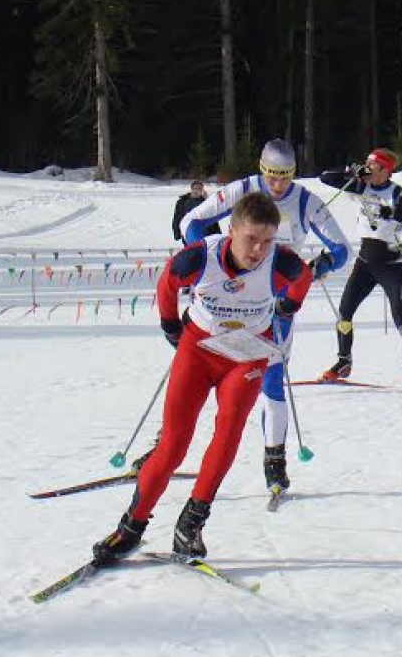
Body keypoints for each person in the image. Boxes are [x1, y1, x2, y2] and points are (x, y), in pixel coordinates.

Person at [92, 193, 313, 562]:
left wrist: (288, 304)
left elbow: (302, 278)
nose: (258, 249)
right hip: (198, 350)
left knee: (228, 434)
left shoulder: (281, 261)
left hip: (247, 355)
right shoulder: (200, 256)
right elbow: (167, 282)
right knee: (173, 446)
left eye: (266, 240)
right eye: (250, 239)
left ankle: (191, 523)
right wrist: (169, 325)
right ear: (231, 230)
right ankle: (130, 528)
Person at [180, 139, 349, 496]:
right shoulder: (243, 190)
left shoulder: (305, 201)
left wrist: (319, 266)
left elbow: (342, 248)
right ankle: (168, 442)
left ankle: (275, 460)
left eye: (285, 177)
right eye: (271, 176)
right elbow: (191, 221)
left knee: (270, 382)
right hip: (225, 301)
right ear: (261, 169)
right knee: (197, 374)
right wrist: (204, 261)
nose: (277, 186)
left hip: (275, 306)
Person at [315, 147, 402, 400]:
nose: (367, 167)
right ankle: (343, 360)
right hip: (365, 262)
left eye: (372, 164)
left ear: (386, 169)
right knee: (344, 312)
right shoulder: (360, 185)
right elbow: (324, 177)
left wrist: (393, 212)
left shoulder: (397, 192)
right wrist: (349, 171)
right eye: (365, 162)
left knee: (401, 321)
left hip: (391, 264)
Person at [171, 180, 216, 244]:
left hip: (204, 232)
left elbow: (213, 217)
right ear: (191, 189)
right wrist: (177, 233)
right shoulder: (182, 202)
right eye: (195, 188)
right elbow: (177, 218)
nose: (197, 191)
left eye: (199, 189)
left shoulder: (205, 202)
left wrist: (208, 201)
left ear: (202, 191)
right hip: (188, 231)